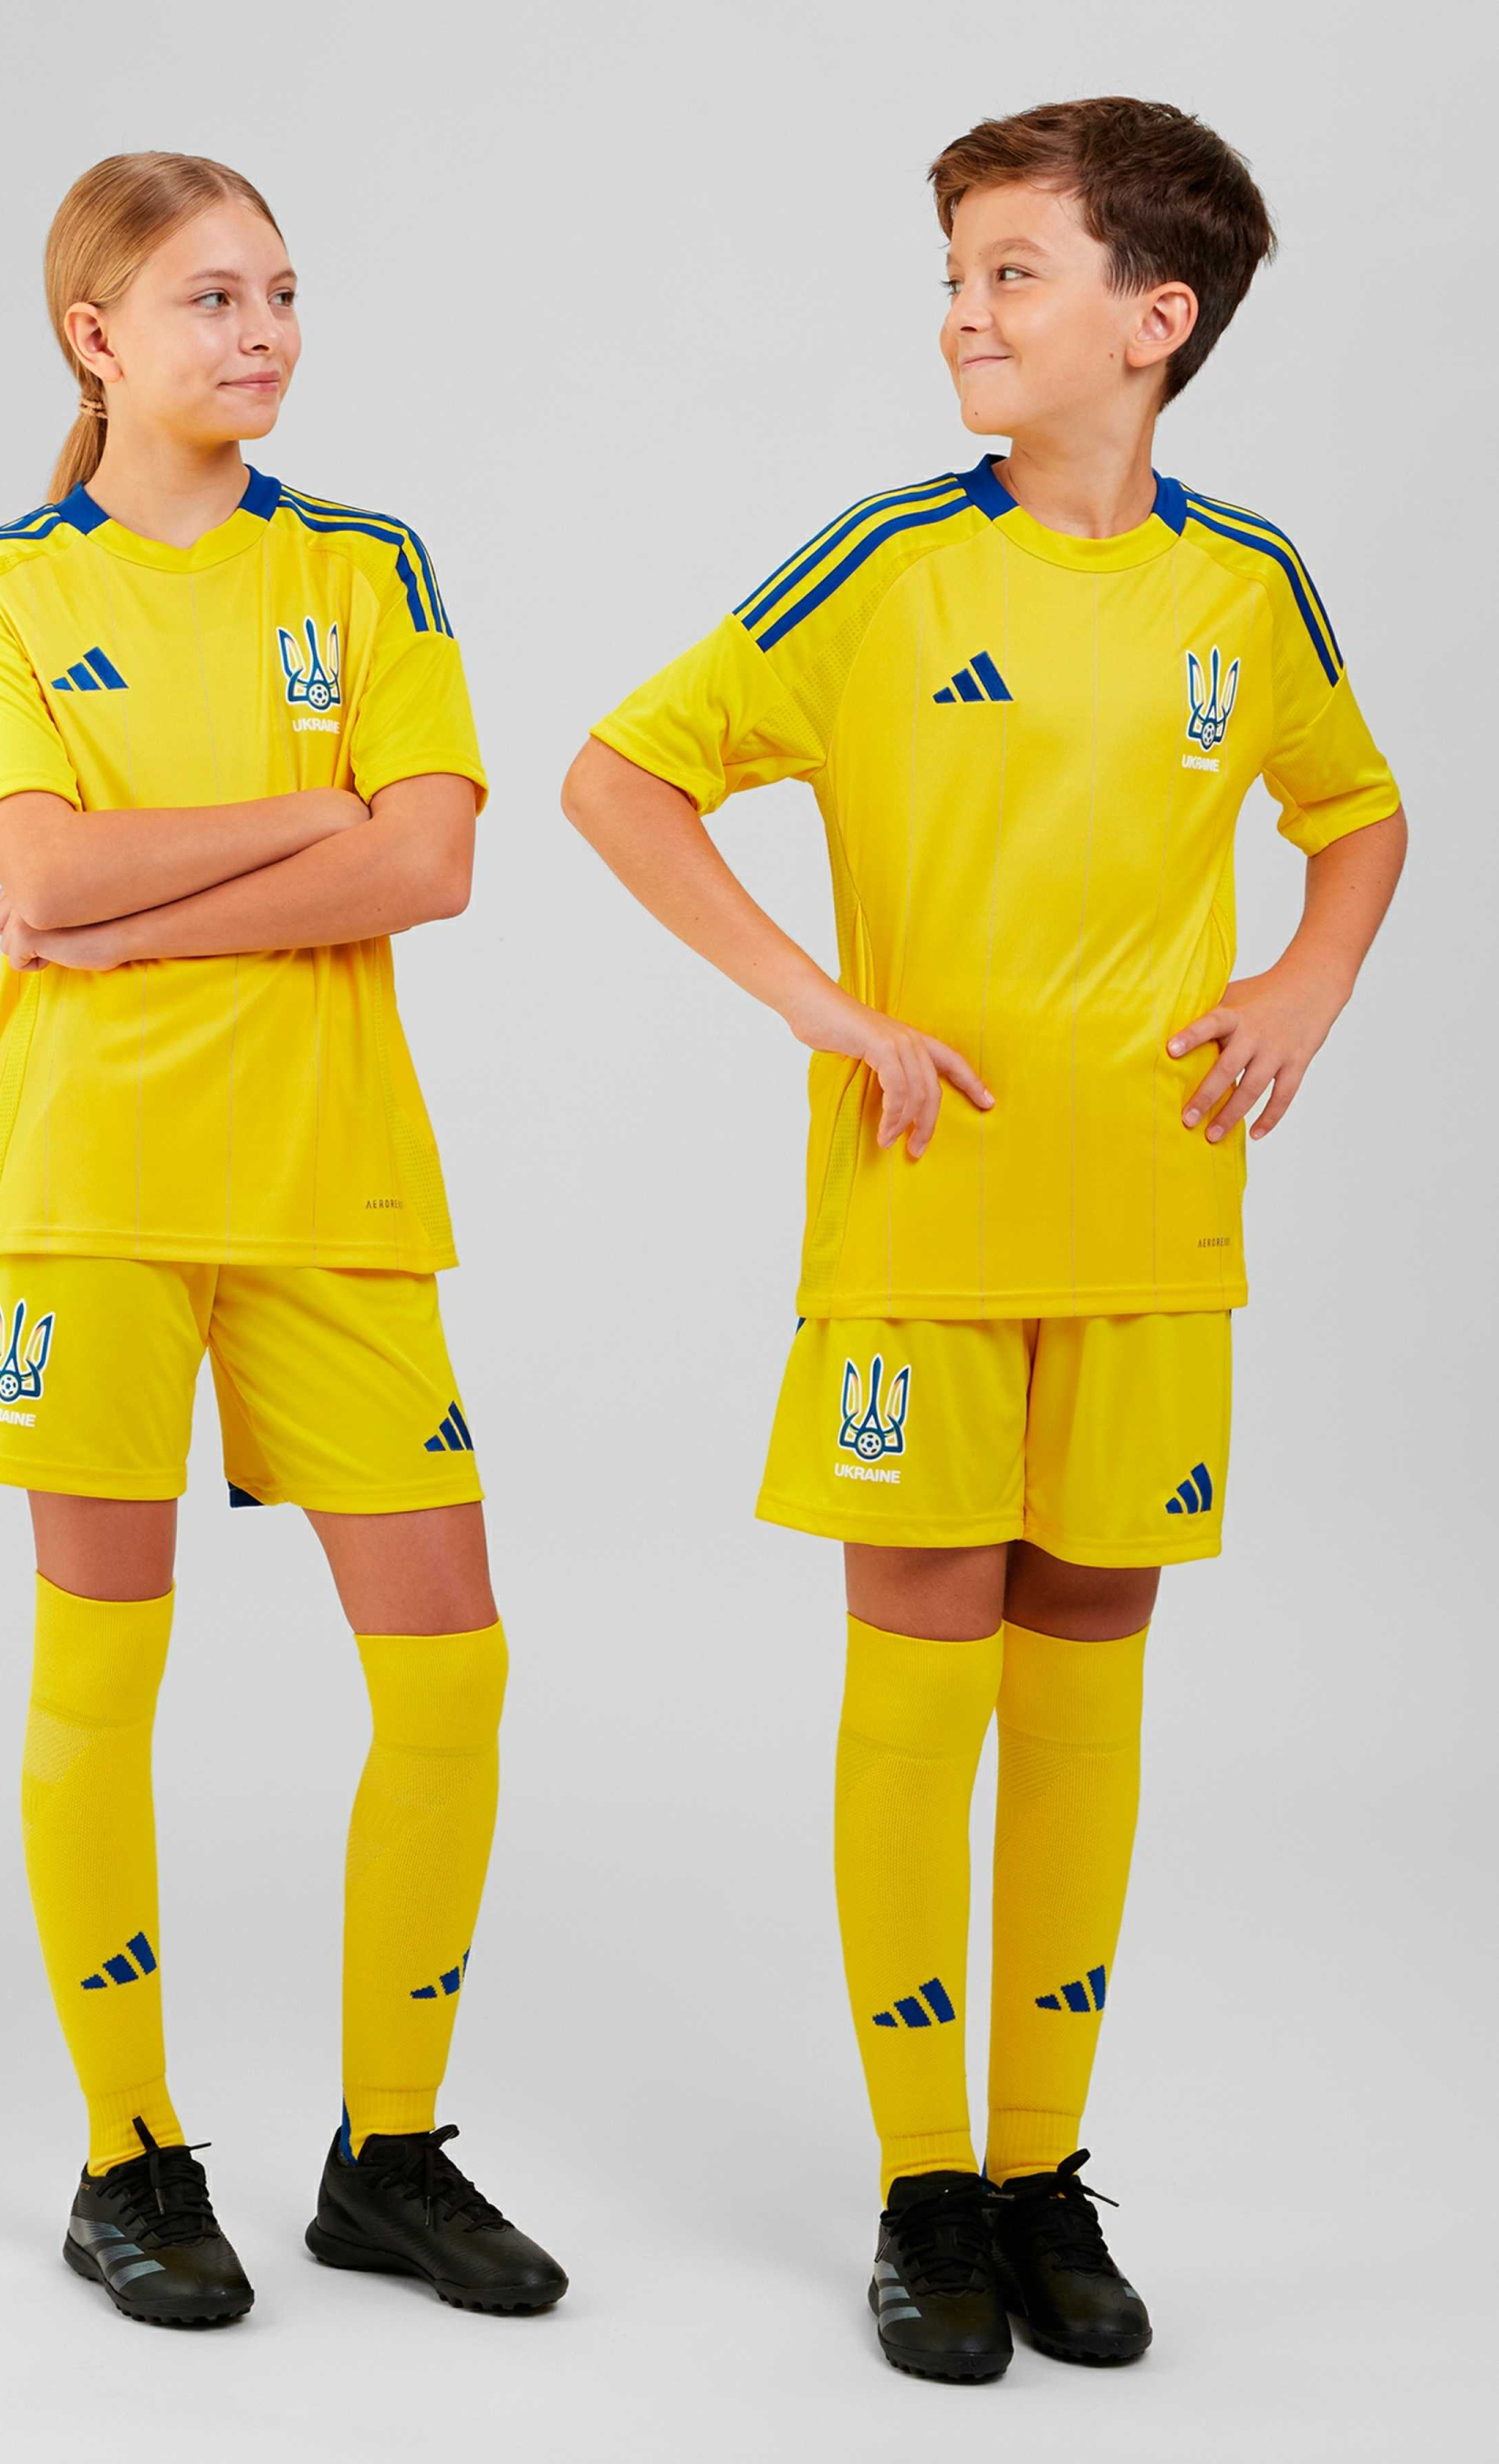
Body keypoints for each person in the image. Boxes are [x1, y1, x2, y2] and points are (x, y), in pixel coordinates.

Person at [562, 97, 1402, 2381]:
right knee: (919, 1688)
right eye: (952, 272)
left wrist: (1304, 984)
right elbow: (619, 778)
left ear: (1155, 319)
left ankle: (1040, 2170)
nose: (960, 310)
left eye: (1010, 271)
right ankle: (922, 2180)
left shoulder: (1244, 585)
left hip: (1150, 1231)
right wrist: (820, 1005)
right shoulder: (881, 565)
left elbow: (1354, 811)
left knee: (1083, 1693)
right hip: (918, 1231)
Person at [0, 151, 565, 2328]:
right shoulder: (5, 579)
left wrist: (150, 895)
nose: (264, 332)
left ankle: (390, 2152)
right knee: (103, 1670)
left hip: (330, 1185)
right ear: (94, 337)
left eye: (280, 291)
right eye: (211, 298)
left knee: (450, 1668)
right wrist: (310, 810)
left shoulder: (366, 568)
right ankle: (129, 2156)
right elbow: (34, 877)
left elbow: (429, 869)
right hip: (87, 1192)